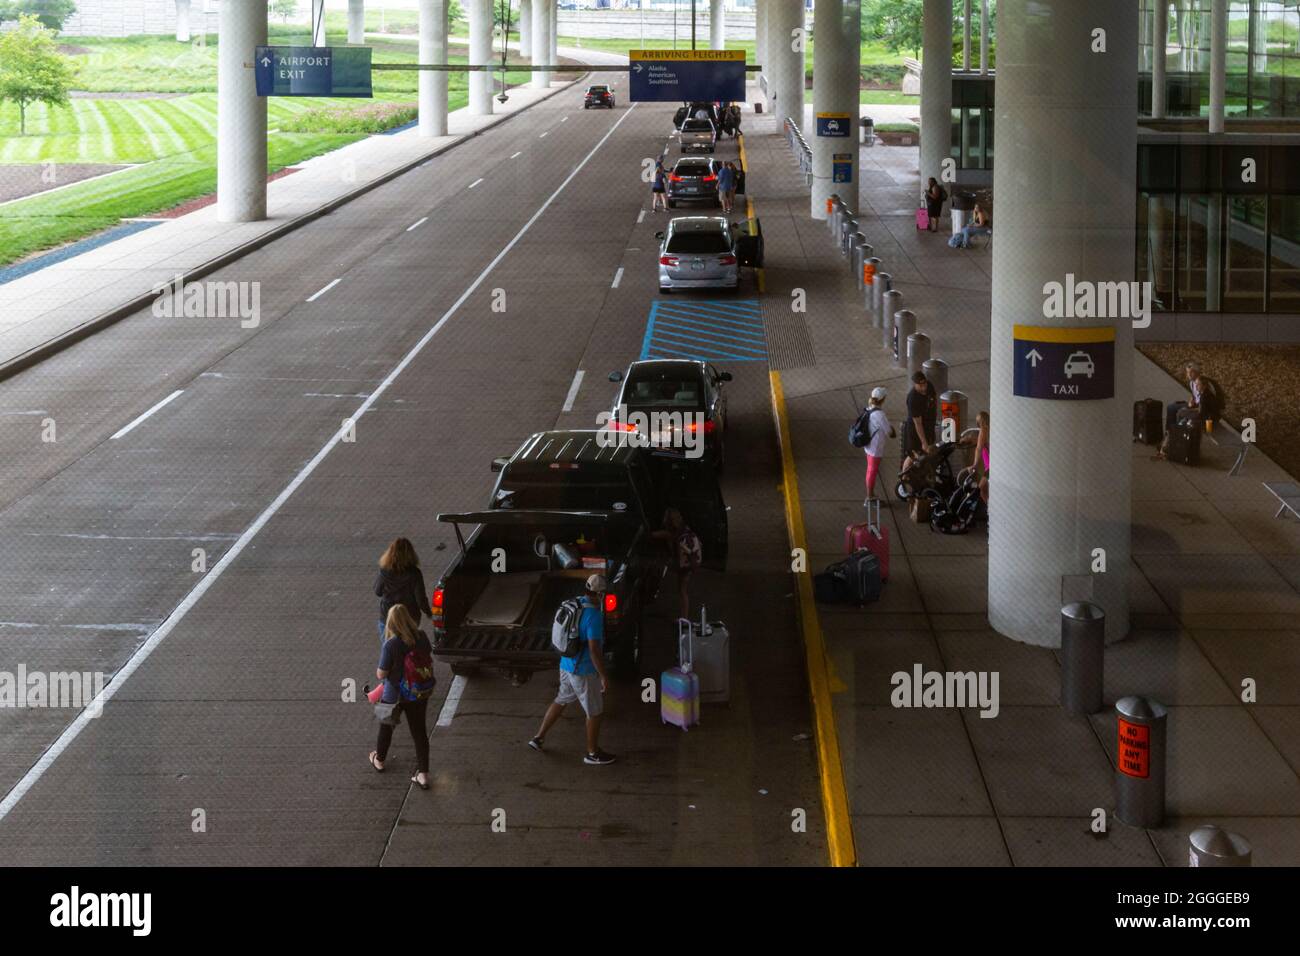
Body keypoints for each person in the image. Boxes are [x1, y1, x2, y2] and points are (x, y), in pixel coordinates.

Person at [528, 575, 615, 765]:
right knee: (595, 712)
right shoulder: (593, 616)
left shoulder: (572, 603)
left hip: (565, 663)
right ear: (600, 594)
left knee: (562, 698)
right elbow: (593, 650)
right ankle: (592, 753)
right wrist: (603, 675)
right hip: (582, 670)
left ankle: (538, 738)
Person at [368, 604, 434, 789]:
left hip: (394, 694)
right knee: (419, 732)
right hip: (418, 692)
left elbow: (381, 674)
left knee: (386, 728)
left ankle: (379, 759)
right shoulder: (422, 636)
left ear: (392, 622)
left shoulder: (391, 644)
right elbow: (427, 655)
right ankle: (423, 775)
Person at [373, 537, 431, 644]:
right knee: (409, 647)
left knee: (388, 648)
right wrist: (428, 612)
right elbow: (421, 599)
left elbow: (377, 591)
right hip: (410, 617)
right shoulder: (415, 573)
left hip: (388, 616)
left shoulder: (385, 571)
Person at [651, 507, 701, 621]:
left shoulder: (670, 533)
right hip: (689, 563)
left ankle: (684, 618)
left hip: (682, 565)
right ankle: (684, 617)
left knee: (682, 591)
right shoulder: (684, 529)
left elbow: (652, 535)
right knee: (682, 590)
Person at [862, 387, 896, 503]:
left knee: (870, 469)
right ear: (882, 400)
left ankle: (870, 493)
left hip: (868, 446)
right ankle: (870, 496)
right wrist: (892, 430)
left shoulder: (869, 409)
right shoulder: (880, 414)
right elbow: (889, 432)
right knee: (872, 470)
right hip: (875, 447)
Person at [900, 371, 938, 470]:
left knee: (929, 452)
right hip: (916, 430)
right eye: (920, 385)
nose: (923, 386)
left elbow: (934, 401)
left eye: (924, 383)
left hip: (929, 425)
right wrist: (924, 442)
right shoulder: (913, 399)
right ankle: (903, 479)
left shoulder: (929, 386)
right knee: (913, 455)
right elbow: (918, 423)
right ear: (915, 384)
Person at [959, 410, 990, 504]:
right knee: (985, 490)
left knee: (981, 489)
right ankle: (990, 509)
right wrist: (969, 439)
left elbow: (978, 448)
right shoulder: (990, 429)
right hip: (992, 466)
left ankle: (990, 511)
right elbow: (980, 441)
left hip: (990, 467)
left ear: (980, 422)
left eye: (978, 421)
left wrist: (975, 464)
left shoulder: (983, 430)